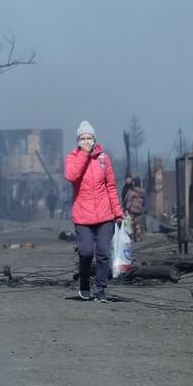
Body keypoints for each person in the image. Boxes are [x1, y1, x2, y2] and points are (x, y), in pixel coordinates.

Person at [64, 120, 123, 303]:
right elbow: (71, 176)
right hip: (83, 216)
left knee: (104, 252)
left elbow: (111, 187)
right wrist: (84, 154)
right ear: (78, 141)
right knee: (86, 252)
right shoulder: (72, 158)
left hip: (105, 215)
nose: (86, 141)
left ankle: (101, 289)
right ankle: (84, 283)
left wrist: (117, 212)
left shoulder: (103, 159)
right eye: (82, 138)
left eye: (89, 138)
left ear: (95, 139)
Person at [123, 176, 146, 243]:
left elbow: (128, 200)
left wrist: (126, 208)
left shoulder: (132, 191)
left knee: (130, 224)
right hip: (139, 209)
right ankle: (138, 237)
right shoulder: (142, 192)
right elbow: (144, 201)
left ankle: (131, 237)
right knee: (138, 224)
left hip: (131, 209)